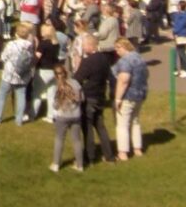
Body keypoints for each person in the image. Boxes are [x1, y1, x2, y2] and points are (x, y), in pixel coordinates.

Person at [73, 34, 115, 164]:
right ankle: (109, 155)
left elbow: (78, 78)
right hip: (100, 96)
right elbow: (111, 77)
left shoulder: (88, 61)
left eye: (84, 45)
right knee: (100, 126)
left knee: (88, 127)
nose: (83, 48)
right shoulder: (104, 58)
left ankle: (89, 157)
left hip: (89, 96)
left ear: (91, 46)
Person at [0, 22, 34, 126]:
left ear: (17, 33)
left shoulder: (11, 44)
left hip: (9, 74)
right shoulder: (30, 46)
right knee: (21, 95)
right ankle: (19, 120)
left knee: (1, 95)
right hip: (23, 74)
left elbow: (4, 57)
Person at [112, 38, 149, 161]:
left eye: (117, 48)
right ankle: (137, 149)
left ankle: (123, 153)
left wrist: (117, 99)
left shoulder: (125, 61)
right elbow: (146, 74)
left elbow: (123, 80)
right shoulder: (140, 58)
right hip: (141, 94)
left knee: (122, 124)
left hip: (128, 96)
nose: (116, 51)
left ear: (123, 47)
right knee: (135, 122)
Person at [50, 64, 83, 172]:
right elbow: (82, 98)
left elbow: (55, 105)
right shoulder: (76, 83)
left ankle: (56, 164)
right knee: (77, 140)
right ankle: (80, 165)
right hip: (76, 115)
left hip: (62, 117)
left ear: (56, 75)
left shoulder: (57, 87)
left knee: (59, 139)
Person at [33, 23, 60, 123]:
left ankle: (33, 114)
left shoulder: (43, 44)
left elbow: (37, 57)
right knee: (51, 94)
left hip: (43, 70)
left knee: (37, 94)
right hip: (54, 71)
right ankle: (51, 116)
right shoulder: (56, 43)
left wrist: (31, 65)